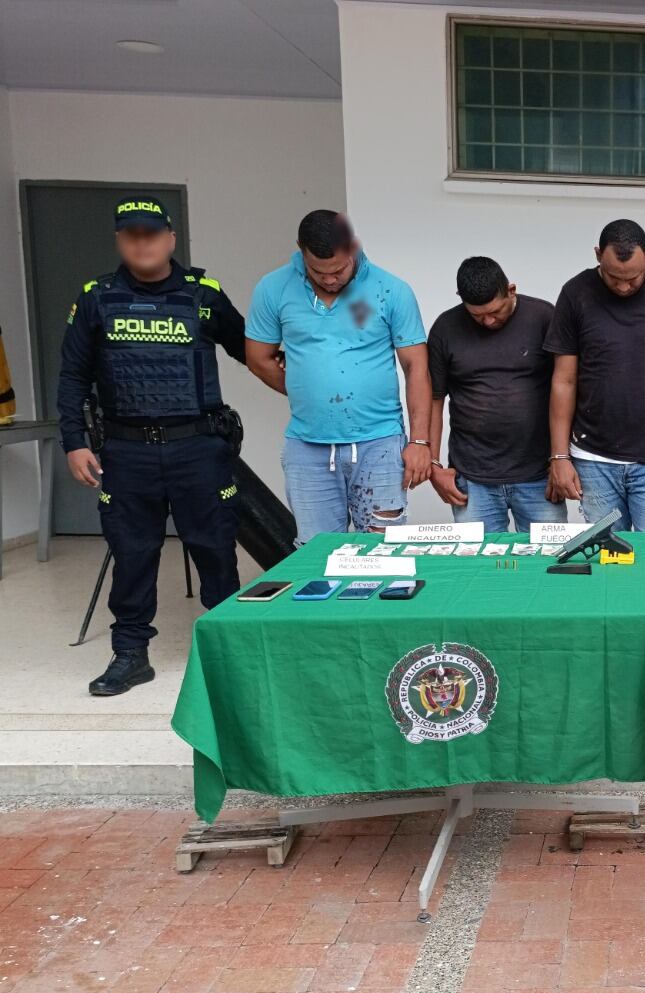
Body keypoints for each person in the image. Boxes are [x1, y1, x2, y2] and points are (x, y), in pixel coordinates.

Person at [56, 195, 249, 696]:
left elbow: (252, 350)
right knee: (133, 553)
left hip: (198, 448)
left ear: (170, 238)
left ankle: (228, 652)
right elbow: (73, 376)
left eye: (152, 234)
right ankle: (130, 654)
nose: (142, 244)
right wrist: (74, 442)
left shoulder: (203, 295)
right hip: (127, 451)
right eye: (132, 235)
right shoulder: (97, 298)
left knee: (215, 549)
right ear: (120, 241)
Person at [544, 219, 645, 687]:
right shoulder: (576, 294)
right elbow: (564, 379)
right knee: (607, 561)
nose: (624, 286)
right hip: (594, 459)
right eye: (614, 277)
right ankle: (613, 662)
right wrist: (559, 456)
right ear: (597, 254)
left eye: (633, 277)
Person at [243, 211, 432, 542]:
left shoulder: (391, 290)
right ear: (301, 250)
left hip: (379, 442)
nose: (330, 280)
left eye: (339, 270)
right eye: (319, 271)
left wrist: (419, 441)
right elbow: (259, 359)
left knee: (382, 549)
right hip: (307, 446)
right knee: (317, 553)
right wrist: (308, 392)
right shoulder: (273, 288)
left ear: (354, 247)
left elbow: (417, 367)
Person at [425, 256, 565, 529]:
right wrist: (434, 465)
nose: (488, 321)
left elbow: (567, 387)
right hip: (472, 477)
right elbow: (434, 400)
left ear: (511, 290)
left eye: (496, 311)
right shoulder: (446, 328)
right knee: (478, 558)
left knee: (549, 556)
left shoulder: (544, 317)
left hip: (539, 475)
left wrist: (562, 458)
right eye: (477, 315)